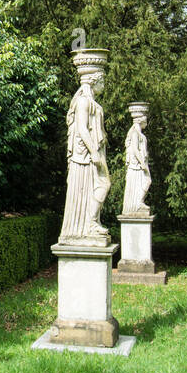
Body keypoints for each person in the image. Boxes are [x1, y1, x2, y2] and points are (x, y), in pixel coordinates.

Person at [59, 59, 111, 244]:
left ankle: (91, 222)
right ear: (94, 81)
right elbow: (82, 128)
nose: (104, 85)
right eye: (102, 80)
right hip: (85, 155)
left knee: (98, 186)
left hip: (90, 153)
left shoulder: (90, 101)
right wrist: (94, 152)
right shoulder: (83, 101)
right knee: (103, 184)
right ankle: (90, 223)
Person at [122, 108, 152, 215]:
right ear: (141, 121)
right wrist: (142, 163)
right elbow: (135, 149)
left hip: (140, 163)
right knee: (146, 181)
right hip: (137, 164)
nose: (147, 123)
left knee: (146, 181)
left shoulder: (138, 133)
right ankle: (137, 203)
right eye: (146, 120)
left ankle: (139, 202)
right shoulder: (135, 133)